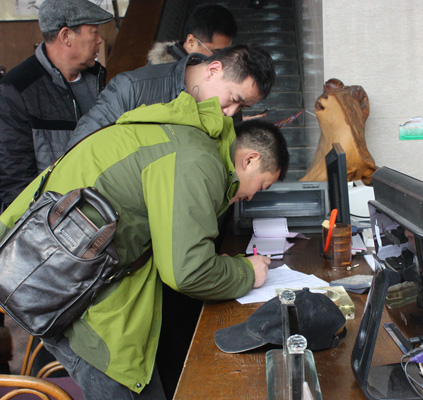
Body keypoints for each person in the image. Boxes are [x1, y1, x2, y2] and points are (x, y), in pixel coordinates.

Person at [0, 92, 289, 399]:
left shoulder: (181, 136)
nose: (252, 196)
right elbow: (187, 272)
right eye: (262, 185)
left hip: (56, 274)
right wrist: (247, 272)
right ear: (250, 159)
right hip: (77, 303)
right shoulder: (196, 160)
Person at [0, 0, 112, 208]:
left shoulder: (101, 81)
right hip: (52, 217)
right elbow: (15, 180)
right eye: (94, 32)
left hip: (102, 209)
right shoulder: (17, 88)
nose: (99, 40)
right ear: (66, 36)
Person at [68, 43, 275, 147]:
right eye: (234, 100)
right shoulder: (133, 88)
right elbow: (80, 149)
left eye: (242, 107)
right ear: (213, 70)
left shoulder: (228, 117)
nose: (231, 112)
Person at [147, 4, 237, 65]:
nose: (222, 60)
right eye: (215, 52)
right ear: (191, 41)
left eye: (226, 52)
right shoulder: (160, 76)